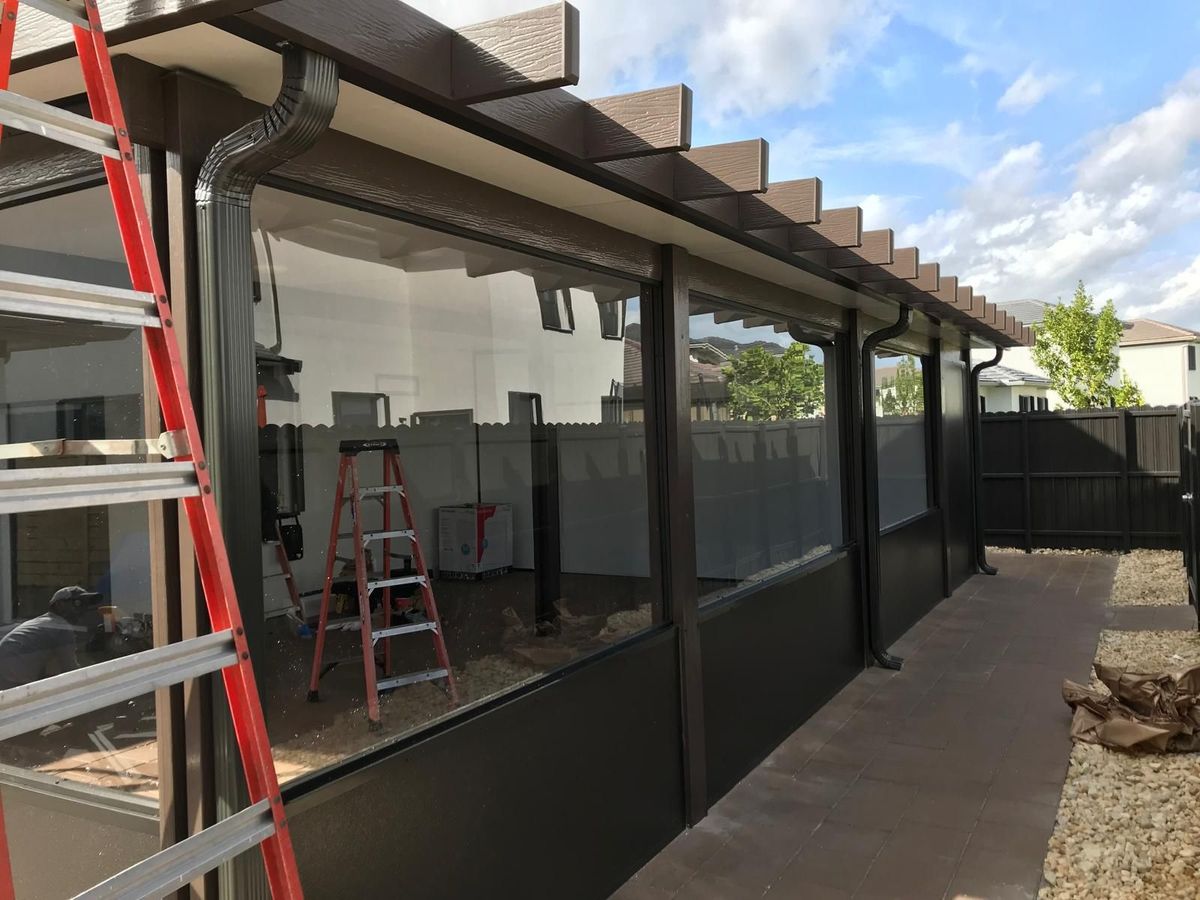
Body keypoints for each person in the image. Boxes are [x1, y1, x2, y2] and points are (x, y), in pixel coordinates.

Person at [0, 586, 102, 690]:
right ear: (59, 605)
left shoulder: (43, 622)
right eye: (77, 603)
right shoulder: (61, 627)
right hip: (12, 681)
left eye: (85, 605)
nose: (82, 610)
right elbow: (71, 671)